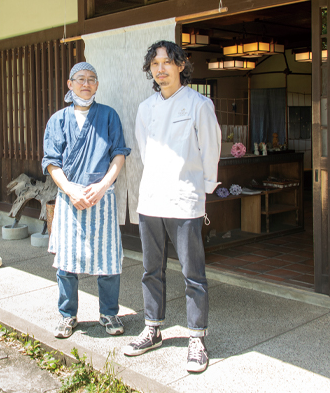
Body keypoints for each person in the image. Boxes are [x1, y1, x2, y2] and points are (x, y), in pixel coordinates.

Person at [122, 41, 221, 373]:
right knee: (152, 270)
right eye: (154, 64)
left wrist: (202, 190)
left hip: (185, 200)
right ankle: (152, 328)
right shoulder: (145, 107)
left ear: (181, 65)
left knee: (193, 274)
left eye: (167, 62)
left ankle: (196, 338)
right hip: (151, 199)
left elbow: (210, 149)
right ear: (150, 70)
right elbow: (145, 150)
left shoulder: (198, 104)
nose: (160, 68)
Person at [42, 62, 131, 339]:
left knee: (108, 261)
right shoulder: (58, 120)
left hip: (101, 197)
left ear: (97, 84)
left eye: (92, 79)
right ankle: (68, 316)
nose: (86, 83)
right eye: (80, 79)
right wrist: (70, 190)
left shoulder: (108, 116)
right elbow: (51, 163)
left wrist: (103, 185)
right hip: (70, 198)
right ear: (70, 84)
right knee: (67, 262)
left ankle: (109, 313)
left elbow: (119, 154)